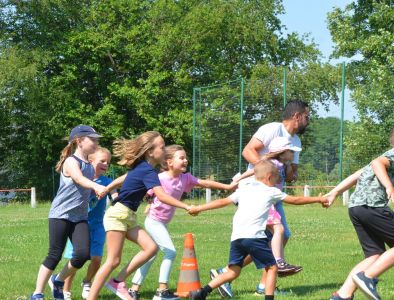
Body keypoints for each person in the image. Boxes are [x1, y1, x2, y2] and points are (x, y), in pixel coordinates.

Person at [188, 160, 329, 300]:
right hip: (255, 237)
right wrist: (317, 199)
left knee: (233, 272)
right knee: (272, 268)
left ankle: (202, 292)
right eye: (276, 178)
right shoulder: (271, 191)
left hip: (237, 238)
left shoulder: (244, 189)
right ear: (268, 177)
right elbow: (295, 200)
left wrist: (198, 208)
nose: (277, 182)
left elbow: (221, 202)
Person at [211, 100, 310, 297]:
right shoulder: (272, 129)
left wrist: (289, 166)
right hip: (254, 190)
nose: (309, 121)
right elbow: (248, 151)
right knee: (277, 232)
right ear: (297, 116)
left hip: (273, 195)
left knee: (279, 237)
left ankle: (229, 274)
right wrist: (268, 166)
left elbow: (291, 176)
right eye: (307, 117)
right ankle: (262, 279)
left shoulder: (296, 141)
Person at [86, 131, 197, 300]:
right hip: (118, 215)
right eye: (162, 147)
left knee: (151, 248)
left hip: (128, 216)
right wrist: (186, 206)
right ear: (150, 152)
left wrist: (108, 188)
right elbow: (162, 195)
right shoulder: (147, 171)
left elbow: (125, 177)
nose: (165, 150)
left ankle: (117, 281)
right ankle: (92, 297)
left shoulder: (143, 168)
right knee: (113, 261)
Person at [127, 145, 237, 300]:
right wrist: (147, 201)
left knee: (150, 255)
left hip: (163, 223)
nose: (186, 160)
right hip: (153, 222)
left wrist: (228, 186)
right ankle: (162, 290)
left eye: (186, 158)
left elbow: (204, 183)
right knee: (170, 251)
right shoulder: (159, 178)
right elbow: (146, 192)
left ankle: (133, 290)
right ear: (169, 162)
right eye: (182, 158)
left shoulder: (185, 178)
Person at [325, 125, 394, 300]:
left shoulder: (387, 155)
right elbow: (377, 164)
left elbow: (358, 174)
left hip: (356, 208)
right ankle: (367, 277)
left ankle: (342, 295)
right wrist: (390, 188)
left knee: (374, 254)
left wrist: (335, 192)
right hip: (372, 206)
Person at [30, 125, 106, 300]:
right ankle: (37, 293)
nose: (96, 142)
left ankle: (58, 280)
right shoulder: (72, 162)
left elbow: (86, 186)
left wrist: (97, 191)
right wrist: (95, 185)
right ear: (79, 141)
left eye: (97, 139)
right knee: (54, 254)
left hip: (79, 217)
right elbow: (79, 179)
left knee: (82, 254)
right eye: (92, 139)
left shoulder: (89, 164)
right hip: (60, 215)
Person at [62, 147, 118, 300]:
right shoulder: (81, 178)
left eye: (108, 162)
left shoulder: (107, 181)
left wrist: (118, 200)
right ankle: (65, 290)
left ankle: (87, 282)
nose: (106, 164)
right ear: (90, 161)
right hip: (78, 224)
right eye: (102, 161)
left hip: (98, 226)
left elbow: (115, 194)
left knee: (97, 259)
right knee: (75, 259)